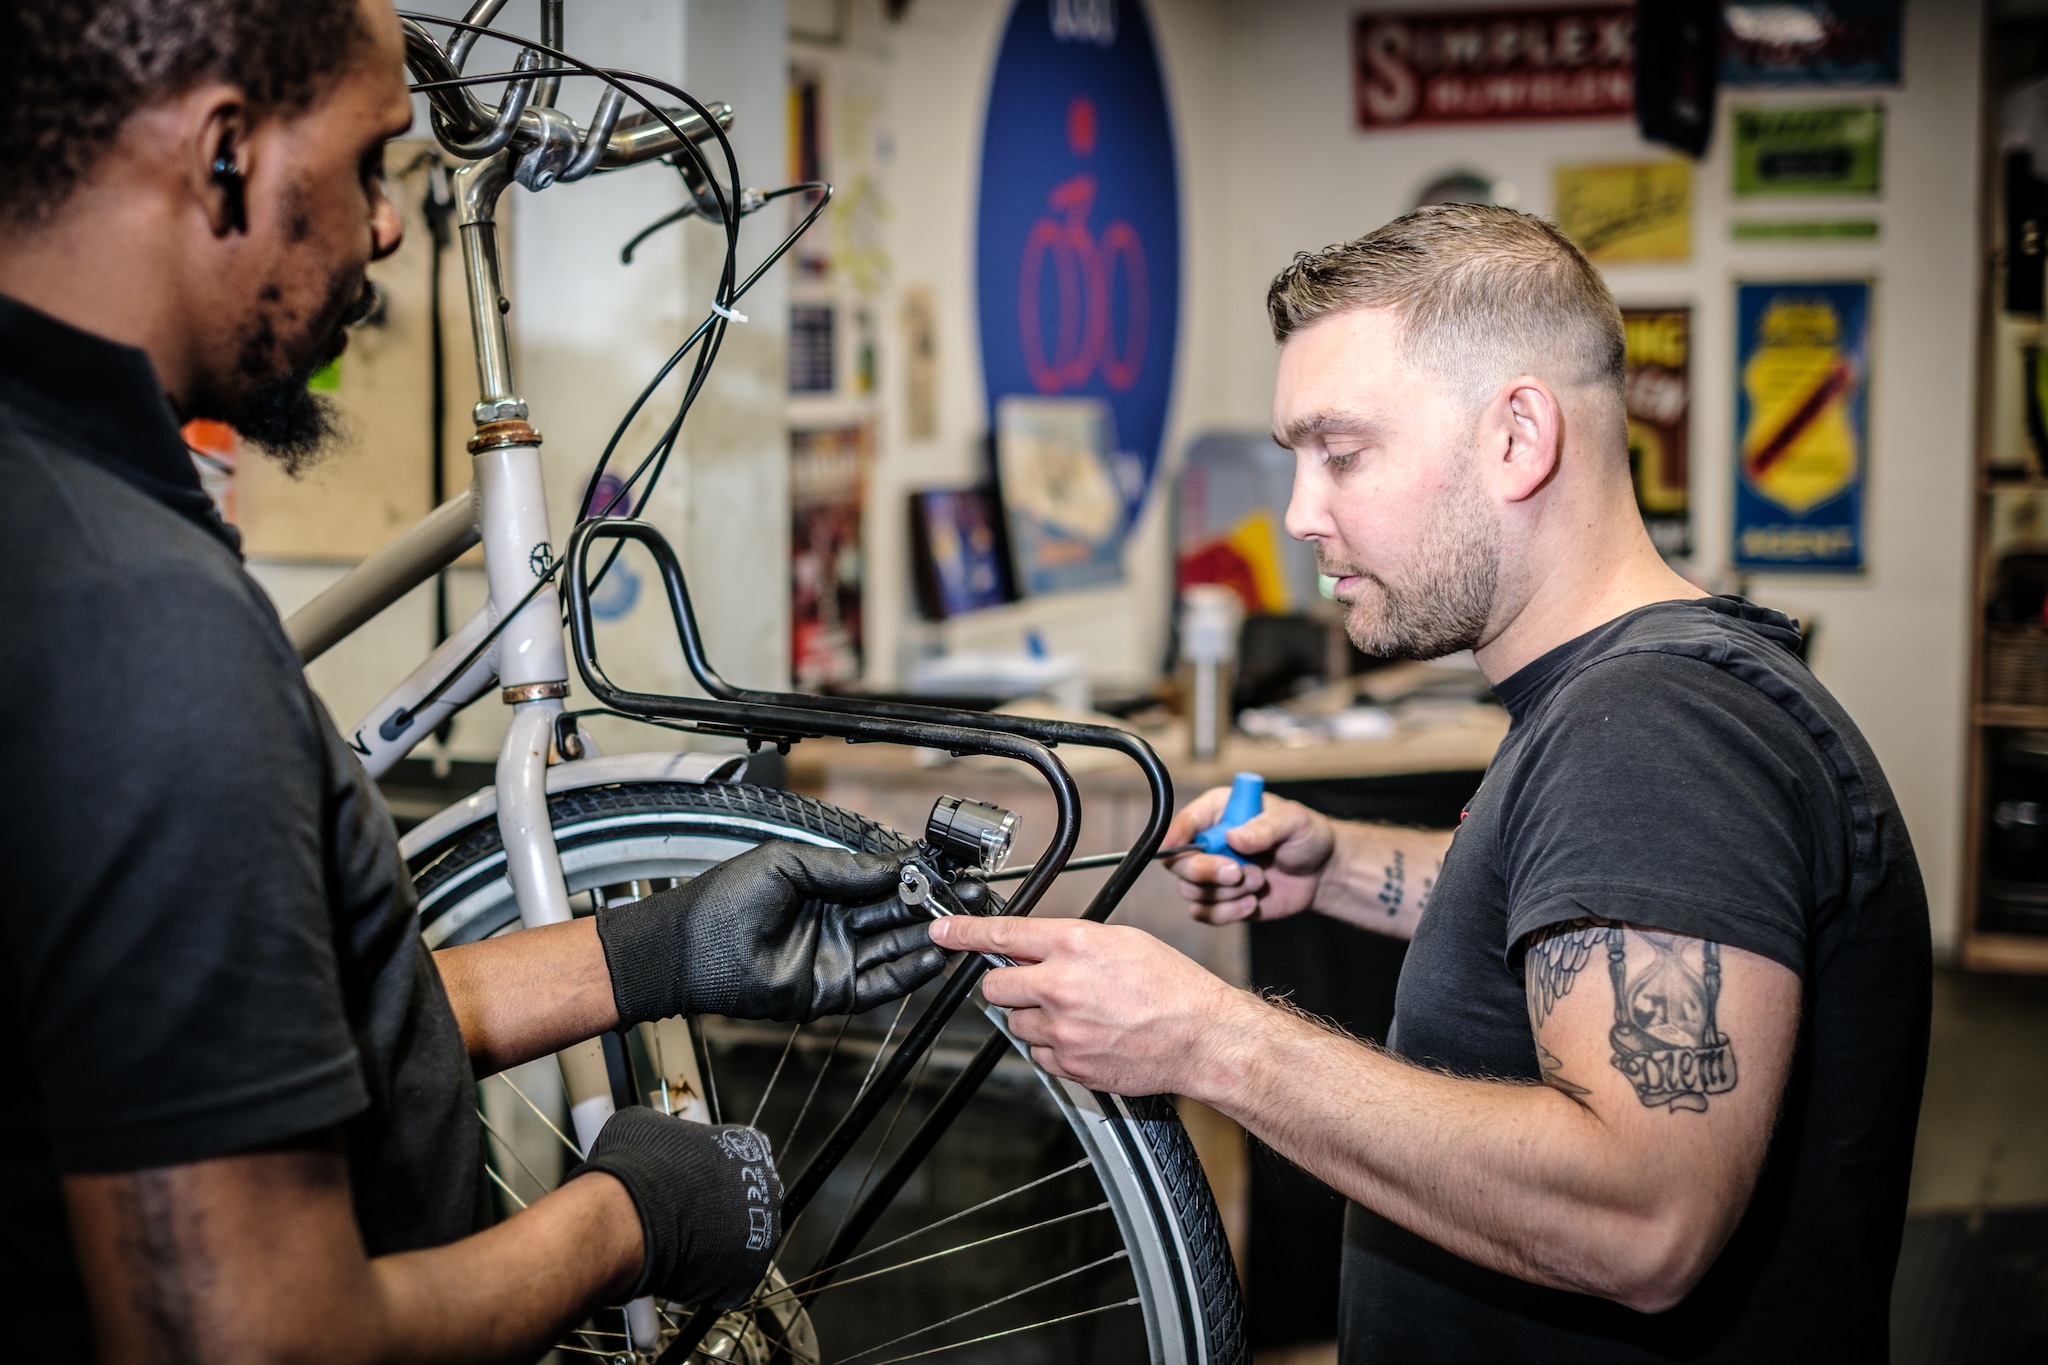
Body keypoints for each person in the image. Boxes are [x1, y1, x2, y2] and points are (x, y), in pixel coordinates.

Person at [0, 2, 943, 1359]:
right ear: (222, 153)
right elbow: (269, 1341)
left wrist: (652, 950)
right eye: (373, 159)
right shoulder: (142, 627)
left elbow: (213, 1046)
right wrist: (628, 1217)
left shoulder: (54, 522)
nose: (387, 226)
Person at [932, 205, 1931, 1362]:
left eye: (1342, 454)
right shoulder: (1635, 696)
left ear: (1517, 437)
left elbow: (1643, 1218)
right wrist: (1339, 866)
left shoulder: (1652, 730)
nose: (1302, 514)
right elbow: (1574, 911)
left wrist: (1206, 1040)